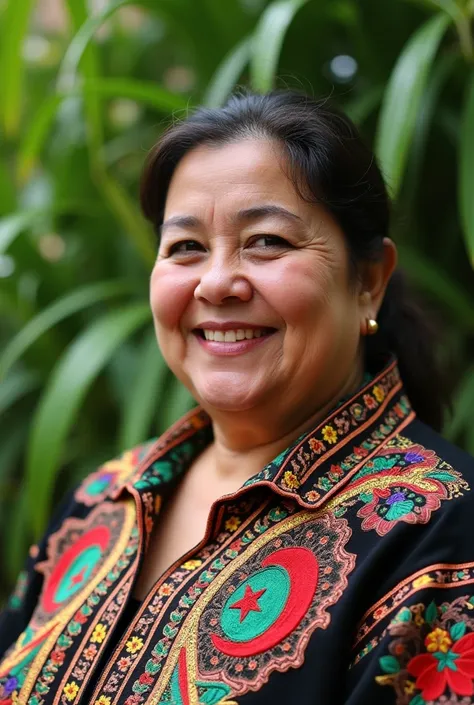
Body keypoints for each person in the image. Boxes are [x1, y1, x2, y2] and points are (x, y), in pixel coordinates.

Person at [0, 89, 473, 705]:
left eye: (268, 241)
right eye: (186, 248)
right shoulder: (102, 500)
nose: (217, 283)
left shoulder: (440, 530)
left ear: (368, 282)